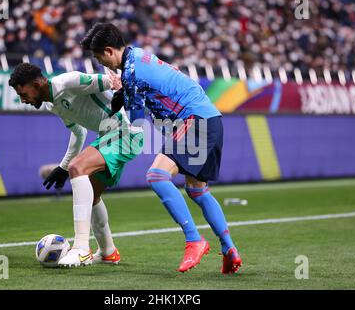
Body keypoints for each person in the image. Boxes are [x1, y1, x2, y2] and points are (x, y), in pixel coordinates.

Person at [81, 23, 242, 274]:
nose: (99, 61)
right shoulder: (139, 56)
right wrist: (123, 93)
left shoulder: (131, 71)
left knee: (157, 175)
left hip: (194, 120)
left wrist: (118, 99)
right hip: (211, 119)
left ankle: (194, 240)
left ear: (110, 51)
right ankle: (229, 247)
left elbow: (136, 123)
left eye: (98, 56)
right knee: (197, 191)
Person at [8, 63, 143, 267]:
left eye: (23, 93)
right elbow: (78, 132)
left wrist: (114, 82)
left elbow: (107, 81)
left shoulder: (68, 82)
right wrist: (63, 167)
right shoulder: (52, 104)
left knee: (78, 168)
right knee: (92, 193)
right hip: (109, 136)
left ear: (36, 84)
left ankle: (81, 249)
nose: (23, 99)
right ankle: (108, 252)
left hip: (126, 131)